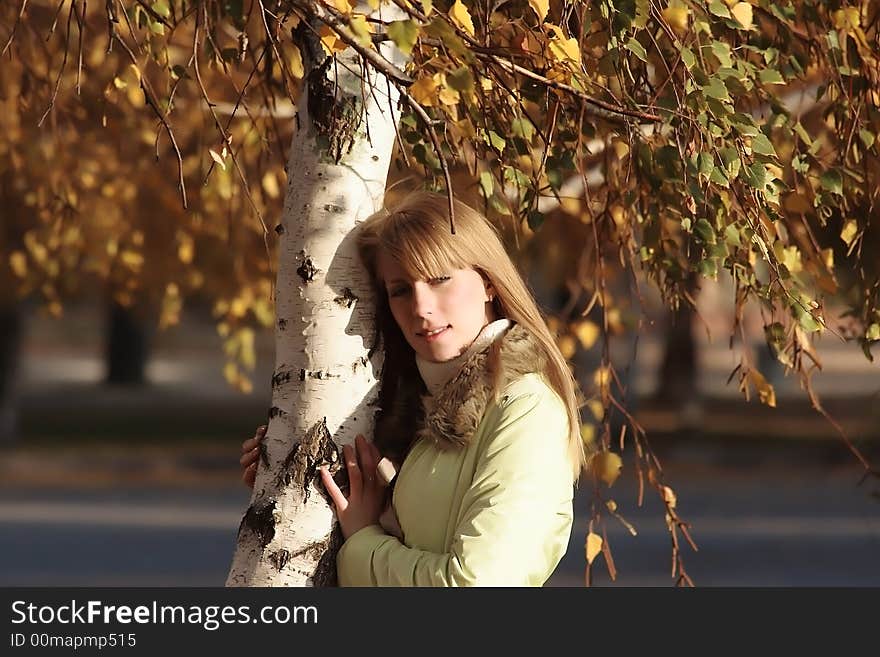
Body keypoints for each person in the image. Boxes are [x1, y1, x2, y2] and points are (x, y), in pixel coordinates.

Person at [240, 191, 587, 586]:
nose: (421, 307)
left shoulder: (525, 409)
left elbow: (476, 584)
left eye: (440, 279)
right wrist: (289, 483)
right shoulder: (416, 412)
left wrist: (363, 546)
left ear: (489, 284)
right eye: (401, 290)